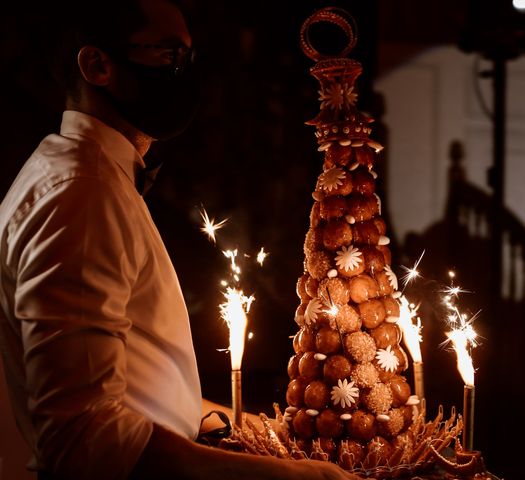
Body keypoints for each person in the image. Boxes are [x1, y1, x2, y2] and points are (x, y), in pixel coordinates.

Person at [0, 1, 358, 479]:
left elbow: (135, 387)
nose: (184, 75)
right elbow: (86, 442)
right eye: (169, 57)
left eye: (189, 59)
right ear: (96, 65)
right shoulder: (80, 194)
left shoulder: (97, 178)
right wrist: (298, 478)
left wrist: (255, 434)